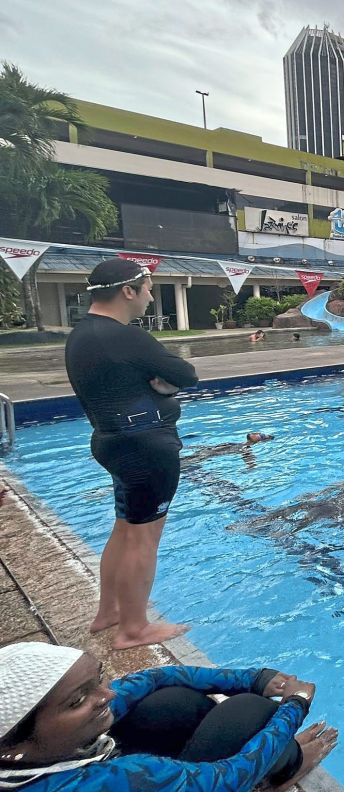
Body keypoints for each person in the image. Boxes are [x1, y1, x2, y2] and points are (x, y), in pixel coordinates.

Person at [0, 641, 336, 792]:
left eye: (98, 680)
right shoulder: (107, 785)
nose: (107, 695)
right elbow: (228, 778)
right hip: (207, 787)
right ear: (15, 745)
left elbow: (154, 678)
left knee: (171, 703)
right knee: (250, 712)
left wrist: (253, 678)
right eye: (78, 700)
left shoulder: (15, 757)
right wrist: (295, 705)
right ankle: (284, 772)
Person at [64, 259, 200, 650]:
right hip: (146, 447)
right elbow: (187, 374)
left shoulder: (82, 334)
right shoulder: (125, 337)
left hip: (113, 442)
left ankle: (109, 612)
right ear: (128, 291)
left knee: (124, 528)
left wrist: (154, 383)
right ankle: (134, 629)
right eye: (148, 287)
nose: (151, 294)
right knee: (144, 537)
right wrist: (162, 385)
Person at [181, 432, 274, 470]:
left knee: (183, 464)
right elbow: (212, 446)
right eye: (257, 432)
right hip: (206, 451)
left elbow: (249, 460)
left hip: (208, 455)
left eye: (261, 435)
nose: (256, 433)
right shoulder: (236, 444)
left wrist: (251, 466)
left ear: (261, 441)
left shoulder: (246, 448)